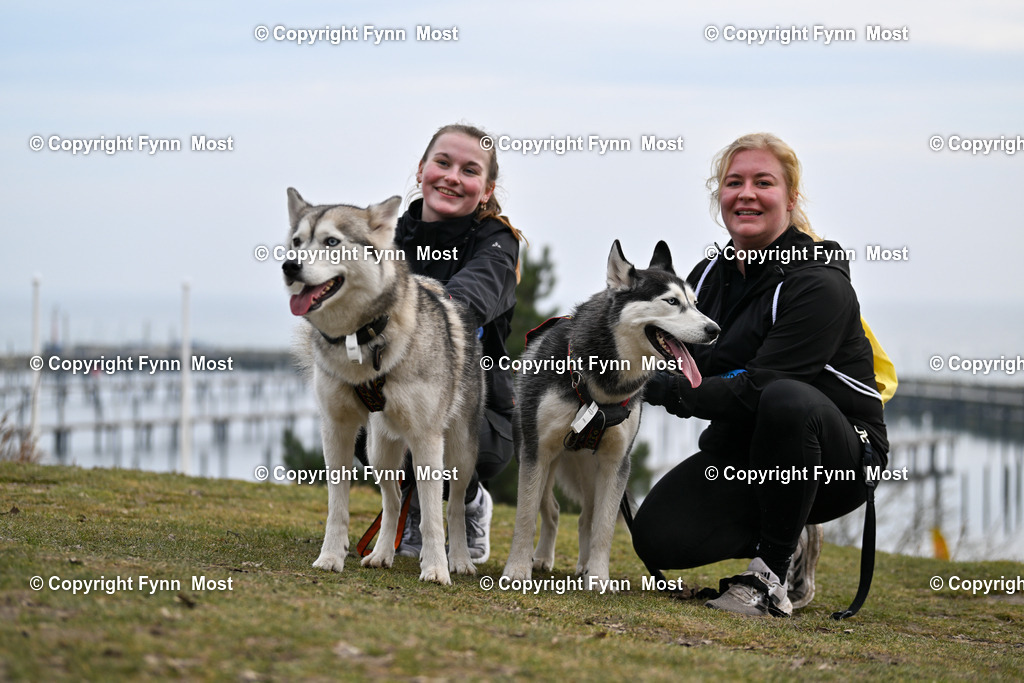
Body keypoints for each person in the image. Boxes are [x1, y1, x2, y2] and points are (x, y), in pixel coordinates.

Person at [632, 133, 889, 617]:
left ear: (790, 199)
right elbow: (682, 361)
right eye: (734, 183)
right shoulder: (707, 276)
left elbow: (759, 387)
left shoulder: (819, 283)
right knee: (656, 538)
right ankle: (788, 534)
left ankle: (769, 576)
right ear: (720, 197)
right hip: (745, 454)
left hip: (839, 460)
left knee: (786, 398)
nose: (746, 193)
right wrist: (606, 358)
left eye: (763, 182)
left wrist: (659, 388)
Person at [390, 122, 524, 564]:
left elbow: (466, 301)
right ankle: (410, 508)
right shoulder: (387, 240)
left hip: (479, 409)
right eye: (442, 163)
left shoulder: (499, 244)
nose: (451, 176)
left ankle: (467, 502)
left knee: (453, 441)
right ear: (420, 170)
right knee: (366, 424)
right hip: (394, 389)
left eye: (469, 170)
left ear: (485, 190)